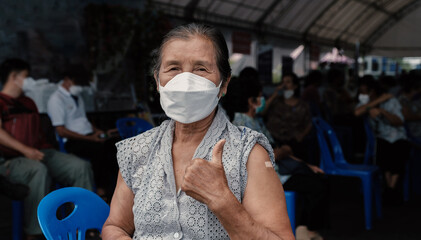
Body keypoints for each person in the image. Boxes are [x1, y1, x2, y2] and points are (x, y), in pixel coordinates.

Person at [102, 23, 294, 240]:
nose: (185, 82)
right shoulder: (136, 150)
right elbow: (115, 226)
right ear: (157, 81)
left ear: (223, 84)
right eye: (173, 68)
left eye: (201, 69)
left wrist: (222, 199)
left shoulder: (249, 154)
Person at [225, 70, 328, 240]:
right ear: (251, 101)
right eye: (260, 96)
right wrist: (283, 151)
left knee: (318, 177)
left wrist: (307, 165)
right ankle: (306, 229)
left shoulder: (254, 121)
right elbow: (265, 155)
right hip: (265, 179)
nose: (263, 100)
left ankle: (306, 228)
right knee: (316, 185)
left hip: (277, 170)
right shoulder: (241, 125)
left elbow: (275, 149)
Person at [0, 58, 94, 240]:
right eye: (27, 77)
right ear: (14, 76)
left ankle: (85, 226)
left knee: (79, 167)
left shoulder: (29, 102)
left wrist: (36, 150)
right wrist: (26, 150)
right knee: (38, 171)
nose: (31, 81)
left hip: (41, 152)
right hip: (11, 160)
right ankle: (36, 234)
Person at [47, 65, 119, 198]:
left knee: (116, 146)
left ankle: (116, 189)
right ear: (67, 80)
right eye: (77, 83)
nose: (80, 87)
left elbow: (83, 120)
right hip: (72, 142)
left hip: (89, 136)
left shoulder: (77, 97)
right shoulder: (56, 99)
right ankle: (101, 191)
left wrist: (99, 132)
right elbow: (61, 131)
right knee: (98, 149)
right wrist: (91, 139)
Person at [355, 76, 410, 204]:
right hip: (381, 138)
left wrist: (382, 112)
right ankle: (391, 190)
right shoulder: (366, 104)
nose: (363, 95)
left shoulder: (391, 102)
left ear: (373, 91)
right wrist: (376, 103)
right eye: (361, 92)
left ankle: (390, 187)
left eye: (365, 92)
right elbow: (357, 113)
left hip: (398, 136)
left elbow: (399, 121)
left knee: (399, 148)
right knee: (384, 147)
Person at [265, 72, 313, 160]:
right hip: (273, 138)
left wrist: (301, 136)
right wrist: (275, 94)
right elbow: (262, 111)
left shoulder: (302, 105)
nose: (284, 85)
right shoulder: (276, 101)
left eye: (288, 82)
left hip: (293, 141)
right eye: (283, 82)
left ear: (295, 86)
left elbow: (308, 123)